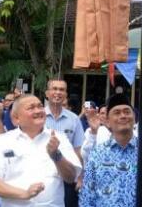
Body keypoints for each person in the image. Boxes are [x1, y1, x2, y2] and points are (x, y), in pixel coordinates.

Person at [0, 95, 82, 207]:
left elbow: (71, 177)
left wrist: (56, 155)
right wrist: (24, 194)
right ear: (16, 118)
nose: (38, 111)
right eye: (31, 108)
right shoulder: (2, 142)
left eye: (40, 106)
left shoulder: (59, 138)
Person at [80, 94, 142, 206]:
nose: (123, 116)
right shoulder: (97, 154)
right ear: (108, 121)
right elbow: (87, 195)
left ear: (134, 118)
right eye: (117, 113)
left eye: (127, 112)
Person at [44, 78, 84, 207]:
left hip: (67, 174)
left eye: (62, 90)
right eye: (54, 89)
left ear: (66, 95)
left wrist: (79, 176)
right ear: (47, 93)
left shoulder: (74, 119)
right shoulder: (38, 116)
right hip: (43, 175)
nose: (58, 92)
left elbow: (78, 149)